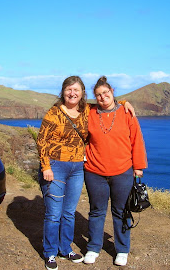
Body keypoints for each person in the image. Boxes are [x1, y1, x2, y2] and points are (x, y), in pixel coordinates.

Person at [36, 75, 134, 270]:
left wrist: (123, 102)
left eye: (76, 91)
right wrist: (45, 166)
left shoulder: (85, 109)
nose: (72, 93)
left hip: (77, 168)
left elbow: (107, 102)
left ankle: (65, 248)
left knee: (69, 212)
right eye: (68, 90)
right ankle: (50, 252)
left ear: (82, 95)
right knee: (54, 213)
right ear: (63, 92)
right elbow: (42, 141)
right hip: (55, 167)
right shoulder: (53, 113)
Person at [83, 76, 147, 267]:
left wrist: (139, 167)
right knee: (96, 211)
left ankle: (122, 249)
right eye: (98, 95)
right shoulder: (89, 112)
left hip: (122, 171)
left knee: (121, 211)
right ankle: (93, 248)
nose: (103, 97)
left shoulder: (127, 113)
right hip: (94, 171)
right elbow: (72, 105)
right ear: (95, 98)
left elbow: (137, 140)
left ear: (112, 92)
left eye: (106, 93)